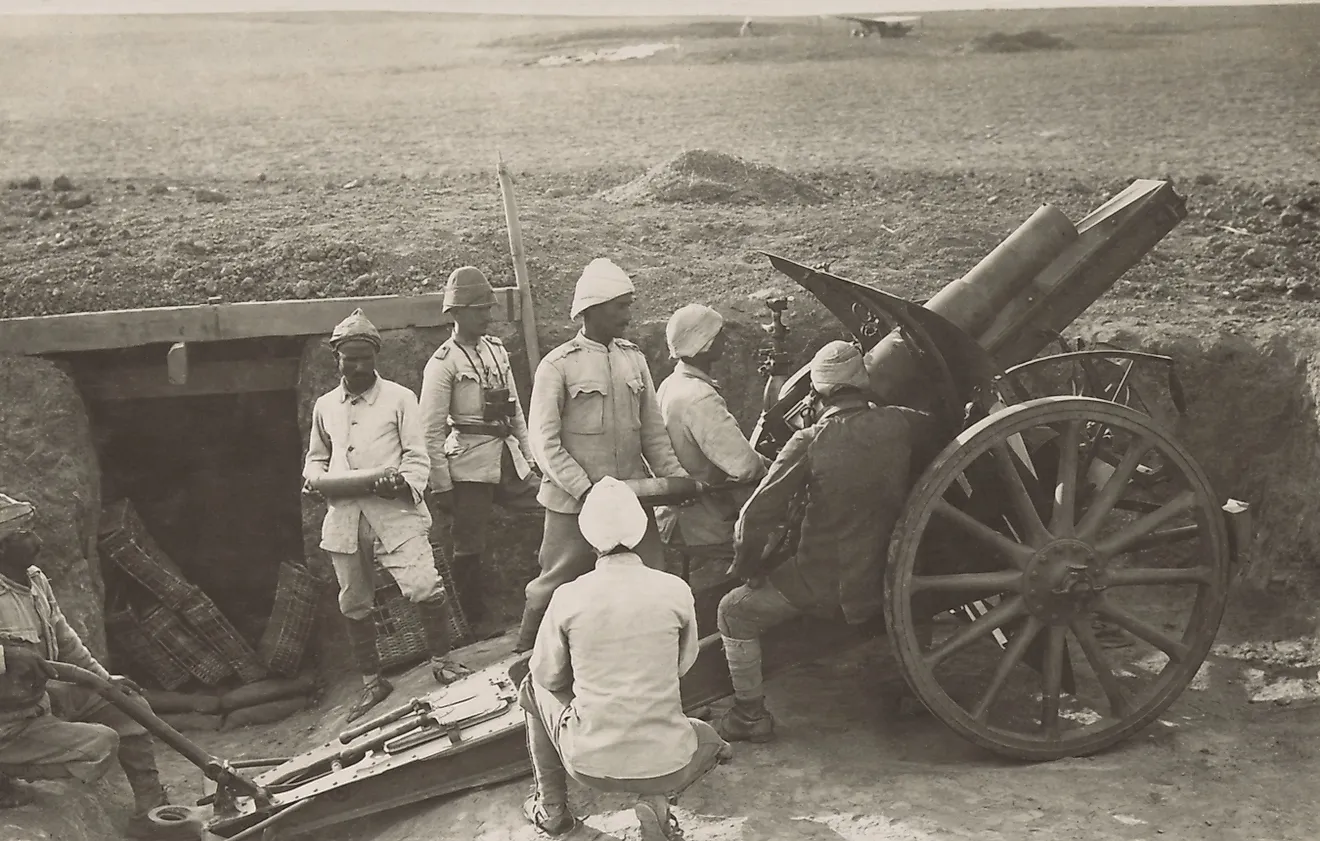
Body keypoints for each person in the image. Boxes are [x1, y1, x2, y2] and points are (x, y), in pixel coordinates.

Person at [715, 341, 915, 743]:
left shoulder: (810, 440)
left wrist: (749, 567)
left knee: (732, 611)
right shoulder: (900, 425)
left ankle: (750, 715)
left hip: (826, 583)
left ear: (818, 391)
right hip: (888, 573)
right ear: (863, 382)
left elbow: (754, 517)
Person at [519, 477, 732, 841]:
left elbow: (548, 676)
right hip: (668, 762)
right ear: (640, 528)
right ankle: (658, 803)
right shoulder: (675, 589)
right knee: (709, 742)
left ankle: (552, 810)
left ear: (588, 534)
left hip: (588, 763)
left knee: (530, 685)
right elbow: (684, 663)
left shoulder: (569, 596)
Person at [304, 308, 470, 723]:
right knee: (354, 601)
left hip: (395, 512)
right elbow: (316, 458)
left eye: (366, 358)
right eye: (350, 358)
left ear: (376, 358)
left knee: (424, 586)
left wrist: (402, 483)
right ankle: (371, 681)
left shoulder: (400, 398)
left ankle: (442, 660)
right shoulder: (325, 406)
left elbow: (419, 457)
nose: (359, 366)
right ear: (336, 359)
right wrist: (316, 479)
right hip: (345, 518)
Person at [516, 258, 689, 653]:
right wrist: (586, 491)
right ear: (592, 309)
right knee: (554, 585)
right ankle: (525, 661)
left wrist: (675, 481)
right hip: (573, 503)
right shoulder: (557, 366)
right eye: (620, 307)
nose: (627, 316)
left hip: (631, 499)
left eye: (628, 306)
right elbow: (544, 443)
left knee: (651, 579)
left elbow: (653, 432)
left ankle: (650, 660)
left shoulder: (634, 359)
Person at [0, 494, 171, 838]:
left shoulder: (35, 580)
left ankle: (151, 809)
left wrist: (105, 680)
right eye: (24, 534)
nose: (37, 540)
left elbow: (65, 640)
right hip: (7, 726)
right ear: (1, 548)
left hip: (40, 701)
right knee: (101, 744)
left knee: (128, 704)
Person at [419, 267, 540, 627]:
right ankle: (474, 622)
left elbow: (516, 410)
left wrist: (531, 461)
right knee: (468, 545)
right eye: (478, 309)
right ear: (456, 314)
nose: (488, 316)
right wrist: (441, 486)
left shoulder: (497, 351)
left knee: (553, 507)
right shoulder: (443, 364)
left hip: (509, 460)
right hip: (470, 465)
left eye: (488, 308)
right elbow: (430, 431)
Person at [655, 304, 767, 568]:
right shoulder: (699, 398)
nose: (725, 340)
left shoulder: (670, 384)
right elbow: (746, 468)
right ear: (704, 345)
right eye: (719, 336)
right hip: (702, 522)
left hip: (673, 514)